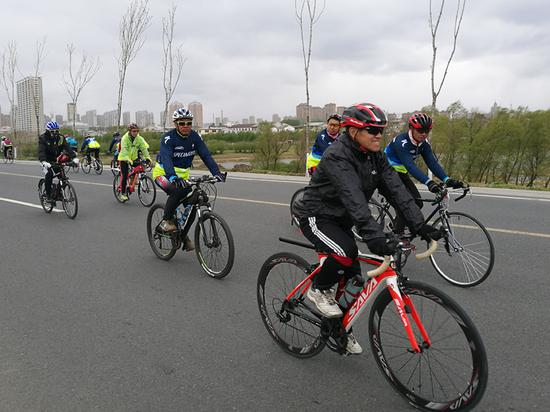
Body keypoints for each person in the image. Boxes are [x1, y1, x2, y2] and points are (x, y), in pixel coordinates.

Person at [293, 103, 440, 354]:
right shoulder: (338, 156)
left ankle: (339, 329)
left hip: (342, 219)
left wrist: (421, 226)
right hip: (316, 215)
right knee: (346, 251)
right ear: (353, 132)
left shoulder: (375, 155)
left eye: (381, 130)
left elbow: (397, 191)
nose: (378, 135)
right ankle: (318, 289)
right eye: (371, 130)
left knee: (355, 281)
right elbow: (355, 201)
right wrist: (376, 239)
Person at [153, 107, 226, 251]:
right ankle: (167, 221)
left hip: (183, 177)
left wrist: (217, 173)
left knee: (195, 202)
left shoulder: (195, 137)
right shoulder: (168, 138)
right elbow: (167, 159)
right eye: (182, 123)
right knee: (176, 191)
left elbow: (206, 155)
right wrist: (172, 176)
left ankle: (182, 235)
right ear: (175, 124)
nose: (186, 126)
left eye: (189, 123)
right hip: (164, 174)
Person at [384, 113, 465, 234]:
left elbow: (432, 163)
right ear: (411, 128)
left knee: (417, 203)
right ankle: (396, 238)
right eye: (420, 130)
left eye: (427, 130)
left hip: (401, 173)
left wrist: (447, 179)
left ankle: (395, 225)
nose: (424, 134)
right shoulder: (402, 142)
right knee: (404, 206)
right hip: (386, 172)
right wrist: (429, 182)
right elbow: (410, 166)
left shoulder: (424, 143)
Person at [38, 122, 71, 203]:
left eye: (56, 131)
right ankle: (48, 195)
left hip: (55, 160)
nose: (55, 133)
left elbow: (68, 148)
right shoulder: (43, 138)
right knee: (49, 174)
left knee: (62, 176)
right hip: (45, 160)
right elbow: (41, 151)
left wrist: (74, 158)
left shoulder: (61, 138)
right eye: (52, 131)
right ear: (48, 131)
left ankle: (59, 192)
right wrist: (44, 161)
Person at [118, 123, 152, 201]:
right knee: (125, 175)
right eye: (133, 131)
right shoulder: (125, 138)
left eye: (137, 131)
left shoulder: (139, 138)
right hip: (124, 158)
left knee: (140, 167)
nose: (135, 133)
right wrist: (128, 160)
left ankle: (132, 182)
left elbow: (144, 149)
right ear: (130, 131)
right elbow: (125, 150)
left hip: (133, 157)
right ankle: (123, 193)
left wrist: (148, 158)